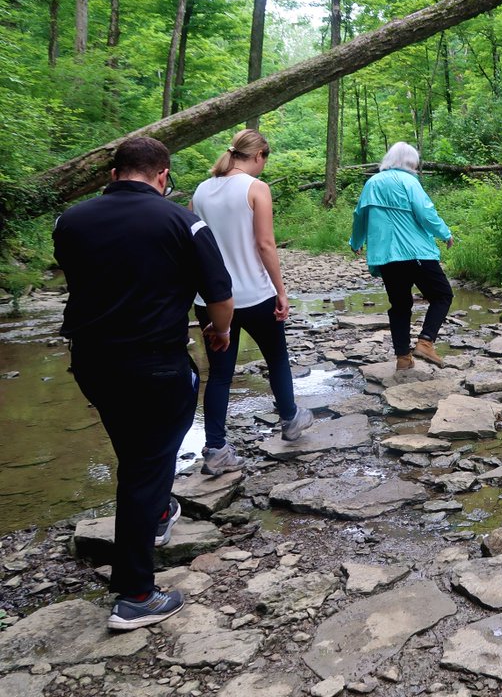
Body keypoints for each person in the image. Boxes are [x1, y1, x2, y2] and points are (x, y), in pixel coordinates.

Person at [53, 137, 234, 631]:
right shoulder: (182, 221)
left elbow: (79, 276)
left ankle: (155, 511)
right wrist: (219, 332)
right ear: (162, 176)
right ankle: (135, 594)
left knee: (137, 455)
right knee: (144, 466)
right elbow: (219, 294)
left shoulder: (70, 220)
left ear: (113, 175)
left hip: (92, 362)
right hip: (156, 362)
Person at [191, 130, 313, 476]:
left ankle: (215, 449)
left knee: (218, 374)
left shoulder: (201, 190)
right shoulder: (256, 188)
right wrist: (281, 290)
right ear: (259, 154)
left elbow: (193, 243)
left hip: (211, 299)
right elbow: (265, 245)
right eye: (264, 160)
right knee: (276, 358)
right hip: (255, 294)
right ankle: (290, 420)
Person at [349, 142, 454, 371]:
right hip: (415, 252)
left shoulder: (372, 183)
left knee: (400, 305)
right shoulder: (409, 182)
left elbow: (360, 216)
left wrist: (356, 241)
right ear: (411, 162)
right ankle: (426, 341)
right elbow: (426, 213)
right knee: (443, 295)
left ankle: (403, 358)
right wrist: (445, 233)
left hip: (386, 256)